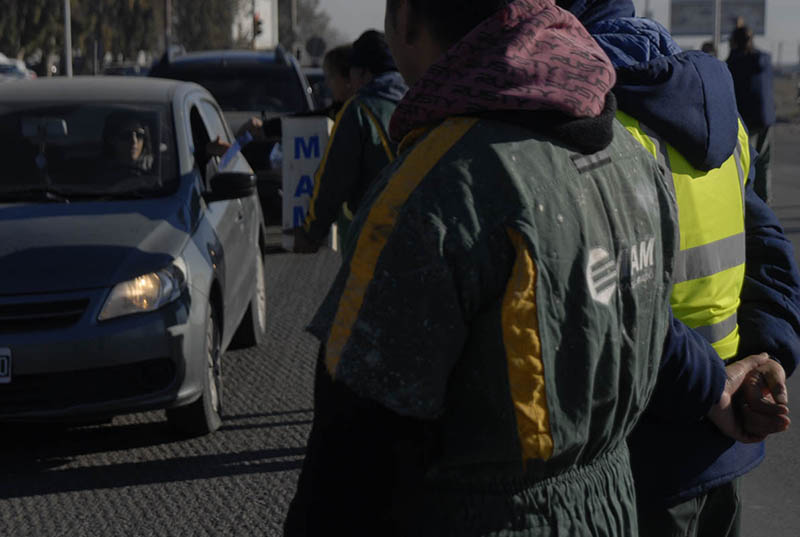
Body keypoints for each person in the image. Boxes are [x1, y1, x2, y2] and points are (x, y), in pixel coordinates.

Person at [283, 1, 778, 535]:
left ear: (405, 18)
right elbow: (648, 318)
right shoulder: (626, 155)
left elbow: (348, 467)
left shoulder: (431, 192)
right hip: (613, 508)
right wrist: (719, 387)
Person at [559, 2, 800, 536]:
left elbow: (609, 290)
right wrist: (769, 354)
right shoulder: (719, 108)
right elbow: (765, 242)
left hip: (640, 446)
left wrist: (708, 388)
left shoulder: (585, 122)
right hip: (727, 435)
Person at [291, 29, 408, 253]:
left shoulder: (359, 111)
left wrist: (311, 233)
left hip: (372, 240)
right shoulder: (421, 103)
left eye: (352, 72)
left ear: (364, 73)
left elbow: (333, 179)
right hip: (421, 236)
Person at [727, 24, 776, 205]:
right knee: (764, 162)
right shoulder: (762, 59)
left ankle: (750, 202)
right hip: (766, 118)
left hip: (748, 120)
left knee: (747, 162)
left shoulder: (736, 63)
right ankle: (765, 200)